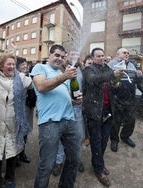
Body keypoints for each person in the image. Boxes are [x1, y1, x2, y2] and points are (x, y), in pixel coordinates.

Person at [30, 44, 82, 188]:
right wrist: (64, 76)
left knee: (74, 159)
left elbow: (63, 95)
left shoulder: (62, 72)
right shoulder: (40, 68)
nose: (60, 59)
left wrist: (75, 101)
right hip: (50, 123)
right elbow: (41, 87)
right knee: (46, 164)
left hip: (70, 120)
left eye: (62, 57)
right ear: (50, 55)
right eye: (57, 55)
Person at [0, 53, 32, 188]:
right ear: (1, 66)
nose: (11, 67)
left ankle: (10, 178)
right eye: (8, 64)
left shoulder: (21, 78)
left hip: (13, 122)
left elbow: (35, 84)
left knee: (12, 152)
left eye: (13, 64)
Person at [83, 47, 124, 187]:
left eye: (102, 55)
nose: (101, 58)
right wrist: (112, 74)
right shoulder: (88, 70)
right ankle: (99, 169)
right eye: (98, 56)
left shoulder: (107, 68)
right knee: (96, 141)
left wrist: (116, 84)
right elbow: (94, 80)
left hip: (108, 111)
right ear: (93, 58)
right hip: (95, 112)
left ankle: (97, 163)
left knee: (104, 140)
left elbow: (111, 85)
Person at [52, 49, 85, 177]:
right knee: (61, 136)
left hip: (77, 108)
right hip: (63, 107)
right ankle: (59, 161)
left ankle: (75, 159)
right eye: (72, 54)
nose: (74, 56)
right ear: (67, 56)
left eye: (77, 54)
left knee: (78, 136)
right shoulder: (59, 69)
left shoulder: (81, 69)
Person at [108, 48, 142, 152]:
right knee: (116, 121)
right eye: (124, 52)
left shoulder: (132, 64)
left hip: (131, 98)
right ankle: (114, 140)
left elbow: (136, 81)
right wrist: (113, 84)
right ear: (117, 54)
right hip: (116, 98)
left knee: (131, 120)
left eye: (128, 53)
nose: (127, 54)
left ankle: (125, 136)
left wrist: (139, 76)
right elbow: (106, 80)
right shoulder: (111, 64)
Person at [15, 56, 35, 164]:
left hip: (28, 106)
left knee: (25, 131)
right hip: (20, 108)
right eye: (22, 64)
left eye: (25, 64)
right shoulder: (17, 77)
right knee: (18, 131)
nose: (25, 66)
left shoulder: (28, 75)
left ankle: (22, 153)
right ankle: (16, 155)